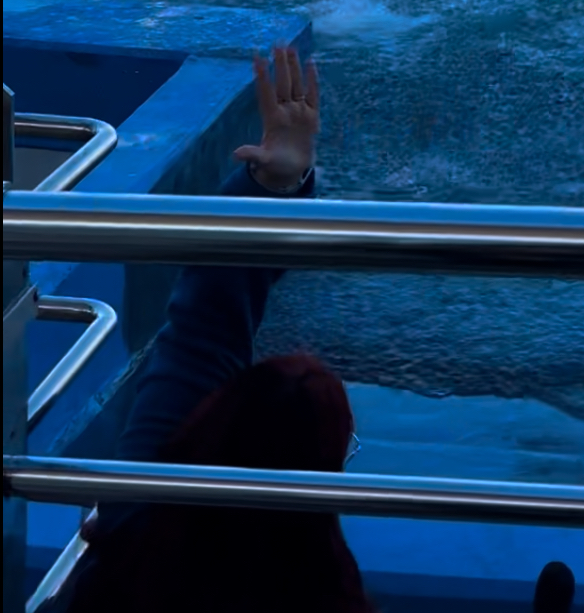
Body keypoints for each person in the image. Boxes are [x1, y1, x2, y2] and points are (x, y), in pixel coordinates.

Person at [53, 45, 375, 613]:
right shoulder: (324, 594)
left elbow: (207, 318)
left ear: (215, 420)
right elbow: (210, 317)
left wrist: (270, 185)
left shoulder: (143, 514)